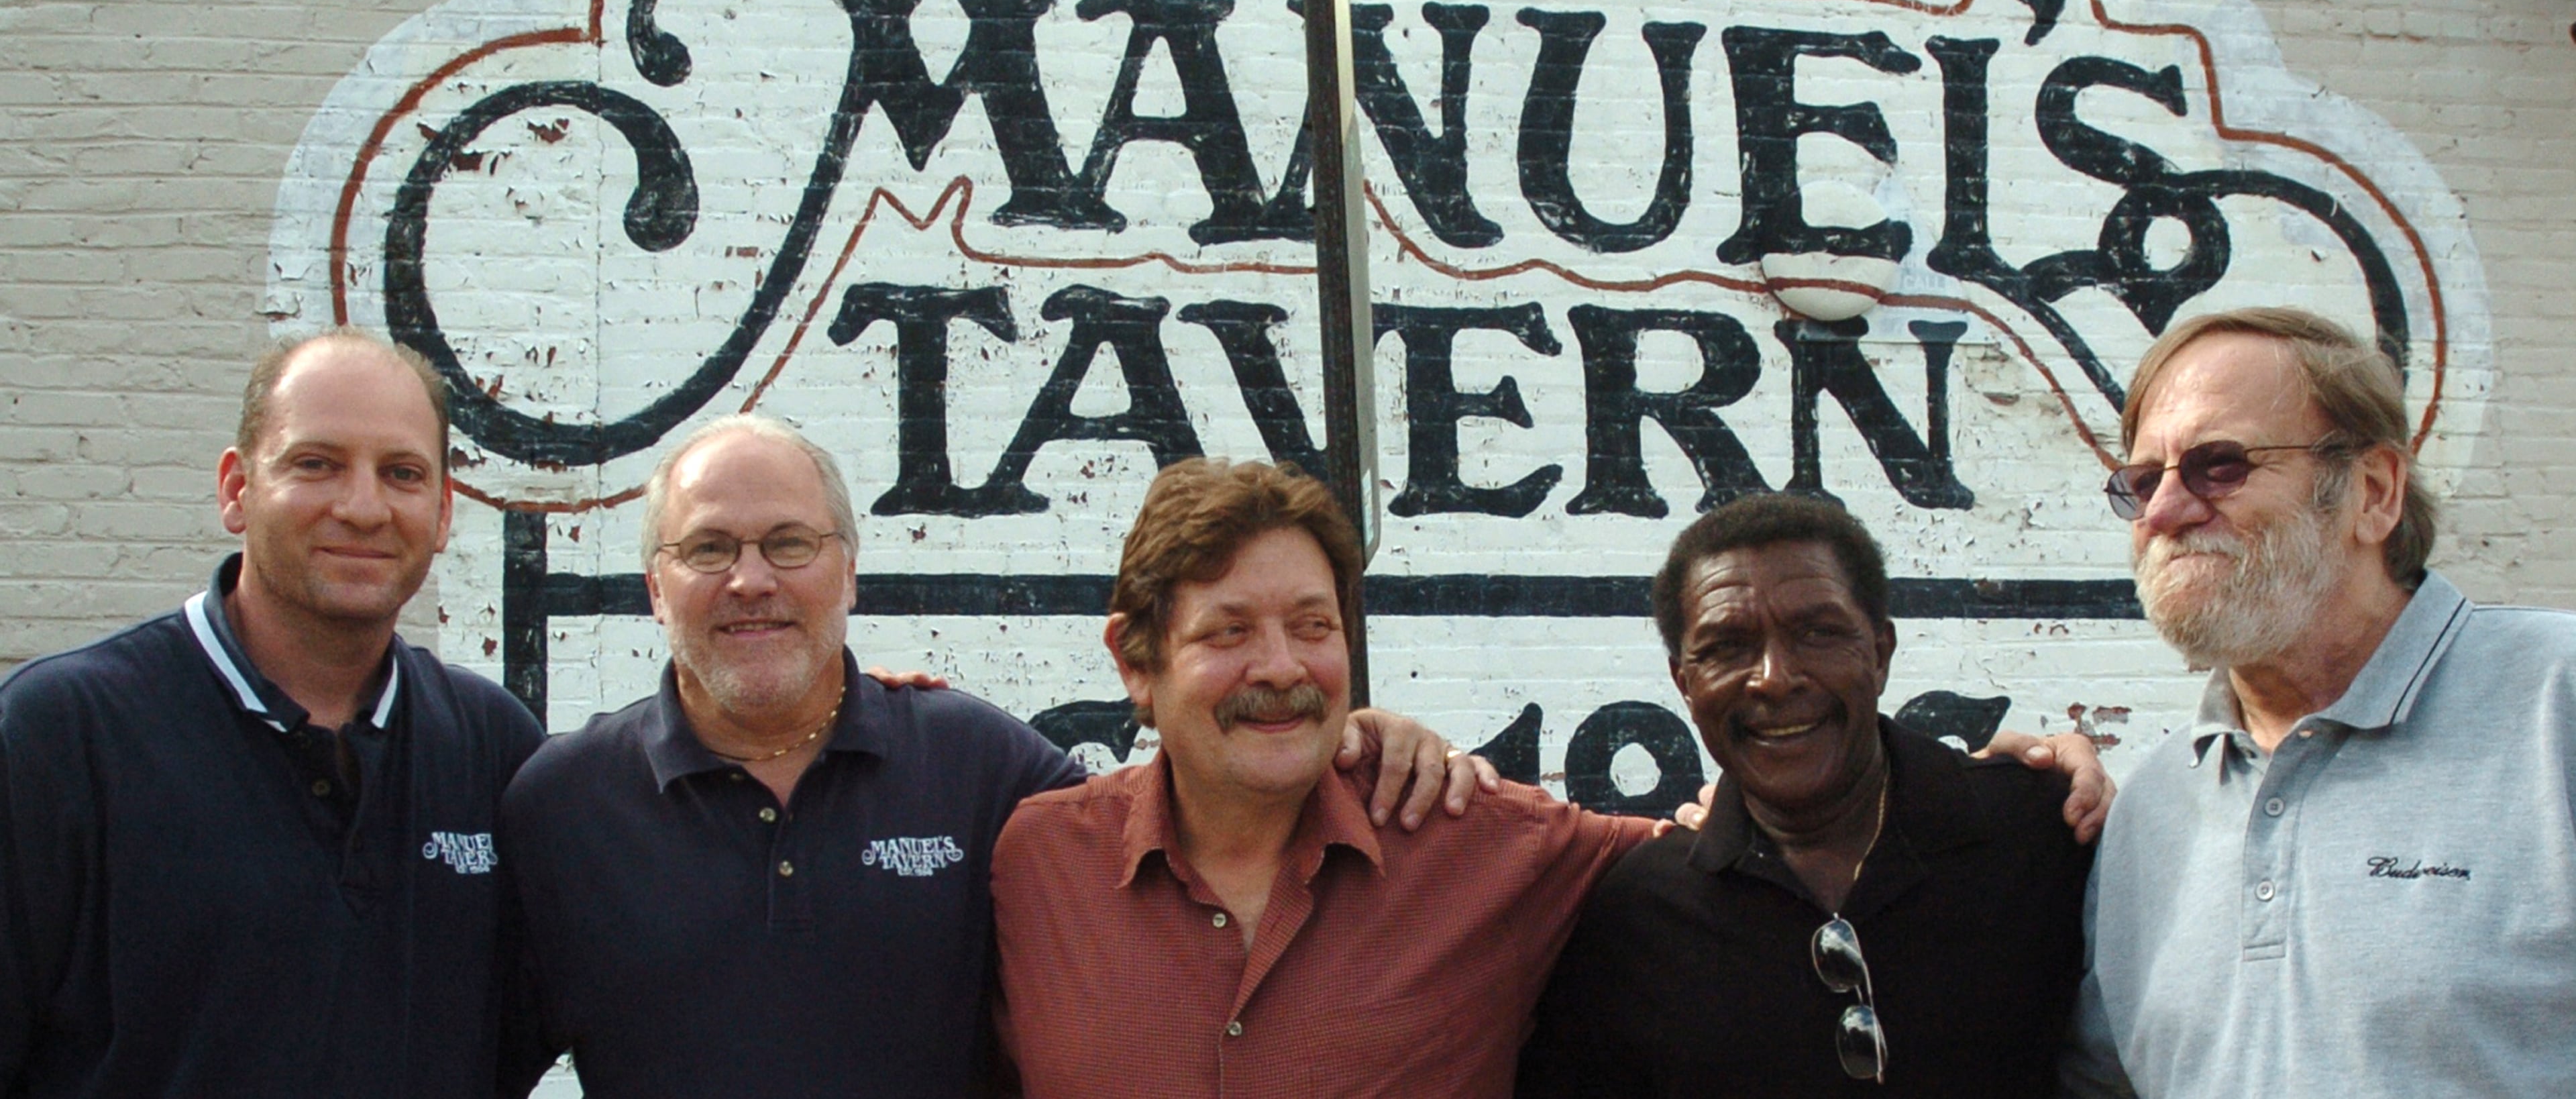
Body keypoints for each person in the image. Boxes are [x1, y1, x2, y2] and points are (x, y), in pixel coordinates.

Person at [497, 419, 1479, 1098]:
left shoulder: (978, 765)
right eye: (708, 549)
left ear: (849, 568)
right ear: (655, 587)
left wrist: (1340, 738)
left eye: (790, 544)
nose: (752, 579)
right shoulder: (563, 803)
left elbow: (1183, 824)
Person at [991, 458, 1659, 1098]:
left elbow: (1725, 869)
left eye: (1313, 627)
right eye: (1229, 632)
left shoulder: (1488, 845)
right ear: (1136, 662)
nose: (1282, 668)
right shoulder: (1038, 864)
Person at [0, 330, 547, 1096]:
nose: (363, 509)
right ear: (236, 489)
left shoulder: (493, 748)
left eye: (402, 474)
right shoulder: (64, 733)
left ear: (444, 512)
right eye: (316, 464)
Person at [2059, 309, 2576, 1096]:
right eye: (2140, 482)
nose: (2162, 513)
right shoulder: (2153, 806)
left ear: (2373, 492)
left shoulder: (2556, 703)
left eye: (2219, 465)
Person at [1518, 492, 2094, 1096]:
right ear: (1685, 685)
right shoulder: (1637, 917)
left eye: (1816, 632)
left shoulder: (2045, 835)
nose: (1774, 677)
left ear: (1879, 653)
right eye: (1727, 648)